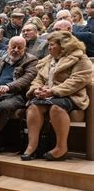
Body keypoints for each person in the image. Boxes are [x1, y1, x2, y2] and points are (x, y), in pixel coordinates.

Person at [23, 31, 92, 161]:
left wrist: (53, 91)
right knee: (33, 107)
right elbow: (37, 79)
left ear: (64, 46)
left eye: (52, 45)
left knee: (56, 107)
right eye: (48, 45)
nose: (48, 48)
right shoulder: (47, 60)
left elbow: (78, 81)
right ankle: (32, 145)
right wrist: (36, 89)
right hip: (46, 95)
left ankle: (61, 147)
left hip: (71, 96)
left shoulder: (80, 58)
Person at [0, 36, 38, 132]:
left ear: (25, 49)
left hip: (17, 94)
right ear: (7, 48)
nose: (16, 50)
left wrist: (8, 86)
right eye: (13, 47)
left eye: (19, 47)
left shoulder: (31, 60)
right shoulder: (2, 59)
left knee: (4, 106)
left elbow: (27, 78)